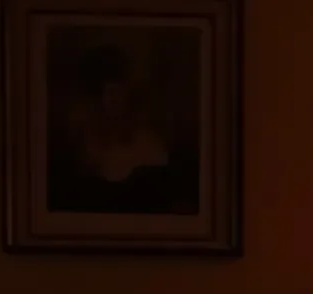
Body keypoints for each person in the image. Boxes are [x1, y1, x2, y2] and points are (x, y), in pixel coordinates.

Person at [47, 43, 199, 216]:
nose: (117, 98)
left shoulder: (144, 139)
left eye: (121, 90)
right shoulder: (79, 137)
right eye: (110, 92)